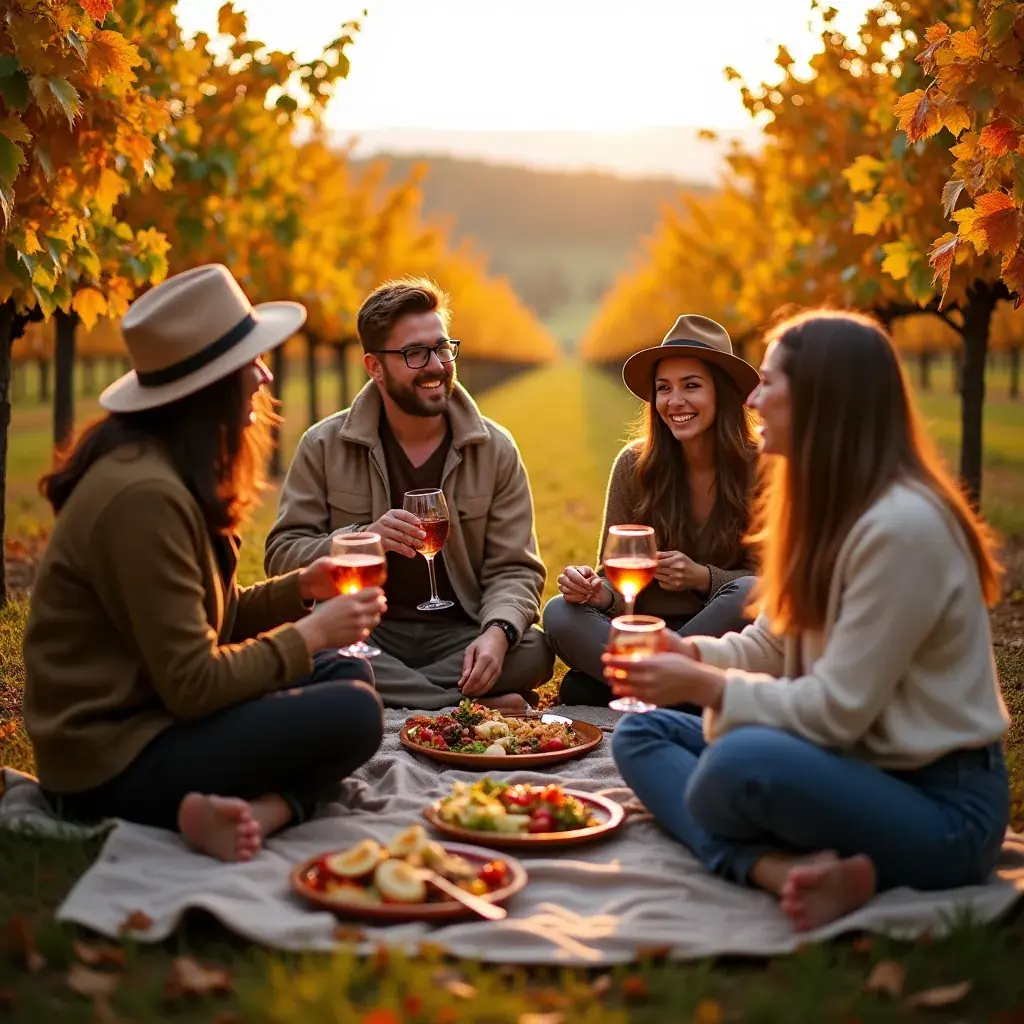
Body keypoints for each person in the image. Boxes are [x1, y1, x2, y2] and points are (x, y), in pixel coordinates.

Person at [609, 310, 1010, 932]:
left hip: (941, 807)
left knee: (732, 765)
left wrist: (707, 687)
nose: (753, 398)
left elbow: (838, 709)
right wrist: (692, 657)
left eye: (768, 383)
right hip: (848, 761)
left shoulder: (903, 527)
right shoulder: (820, 506)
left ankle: (760, 847)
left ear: (823, 396)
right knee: (641, 736)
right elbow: (772, 640)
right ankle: (773, 868)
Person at [23, 264, 387, 863]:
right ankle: (264, 809)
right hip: (109, 757)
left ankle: (255, 811)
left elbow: (211, 617)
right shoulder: (143, 497)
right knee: (352, 712)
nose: (265, 376)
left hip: (153, 715)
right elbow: (194, 684)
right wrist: (310, 631)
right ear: (208, 387)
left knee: (345, 677)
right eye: (251, 362)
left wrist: (301, 587)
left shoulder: (161, 470)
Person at [264, 277, 554, 711]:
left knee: (532, 649)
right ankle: (464, 705)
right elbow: (281, 555)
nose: (436, 365)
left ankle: (389, 693)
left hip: (461, 630)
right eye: (415, 354)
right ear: (374, 367)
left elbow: (515, 569)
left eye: (442, 348)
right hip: (363, 630)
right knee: (314, 643)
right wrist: (362, 542)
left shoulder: (495, 448)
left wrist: (496, 634)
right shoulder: (322, 445)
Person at [543, 315, 760, 707]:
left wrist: (702, 577)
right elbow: (613, 578)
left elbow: (772, 584)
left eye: (691, 386)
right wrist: (595, 593)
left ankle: (632, 683)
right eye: (664, 388)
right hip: (639, 629)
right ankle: (680, 691)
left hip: (718, 634)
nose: (674, 401)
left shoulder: (762, 467)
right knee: (560, 613)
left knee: (749, 592)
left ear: (722, 393)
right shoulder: (634, 464)